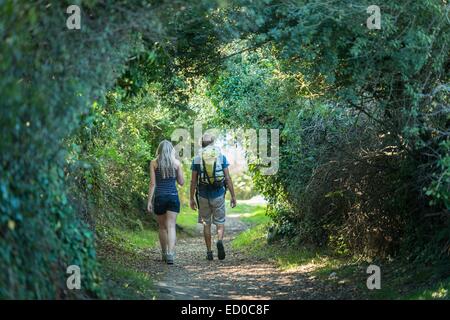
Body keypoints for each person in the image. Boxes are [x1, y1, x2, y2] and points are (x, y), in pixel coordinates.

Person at [190, 133, 237, 261]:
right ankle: (220, 241)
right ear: (213, 143)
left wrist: (191, 198)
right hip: (218, 194)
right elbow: (227, 178)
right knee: (220, 223)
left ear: (202, 145)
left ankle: (209, 252)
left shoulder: (197, 159)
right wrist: (233, 196)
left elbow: (193, 181)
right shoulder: (221, 157)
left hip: (203, 195)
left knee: (206, 224)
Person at [147, 140, 184, 265]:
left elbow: (152, 184)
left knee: (162, 227)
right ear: (171, 150)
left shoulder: (154, 163)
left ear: (159, 150)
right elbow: (181, 182)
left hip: (160, 197)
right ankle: (170, 254)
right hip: (173, 197)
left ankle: (164, 253)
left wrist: (149, 201)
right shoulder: (176, 163)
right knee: (171, 226)